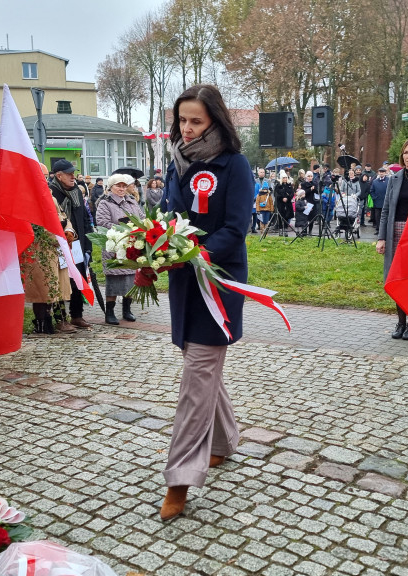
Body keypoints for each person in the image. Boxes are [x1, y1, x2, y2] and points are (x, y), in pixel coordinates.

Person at [156, 84, 250, 521]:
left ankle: (179, 479)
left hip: (219, 284)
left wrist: (195, 253)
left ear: (214, 120)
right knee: (202, 368)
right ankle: (225, 441)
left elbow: (235, 228)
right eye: (182, 121)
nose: (187, 129)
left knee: (195, 382)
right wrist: (150, 249)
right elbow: (164, 218)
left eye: (196, 121)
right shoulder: (177, 163)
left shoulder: (235, 166)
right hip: (183, 284)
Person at [377, 138, 408, 340]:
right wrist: (382, 238)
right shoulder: (395, 178)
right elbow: (386, 210)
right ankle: (400, 322)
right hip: (395, 232)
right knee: (397, 279)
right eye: (406, 153)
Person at [23, 162, 76, 334]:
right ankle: (42, 322)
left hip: (56, 249)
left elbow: (63, 217)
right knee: (42, 288)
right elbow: (34, 225)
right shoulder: (27, 198)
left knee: (57, 286)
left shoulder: (51, 197)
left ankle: (57, 319)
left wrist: (68, 230)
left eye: (46, 178)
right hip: (40, 249)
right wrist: (56, 237)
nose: (44, 181)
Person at [49, 159, 94, 330]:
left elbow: (84, 219)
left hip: (78, 243)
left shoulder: (76, 191)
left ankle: (77, 315)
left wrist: (87, 244)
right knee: (62, 280)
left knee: (78, 279)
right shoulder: (51, 192)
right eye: (69, 174)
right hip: (60, 244)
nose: (73, 176)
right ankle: (61, 319)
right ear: (59, 175)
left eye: (73, 173)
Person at [96, 174, 143, 323]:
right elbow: (102, 222)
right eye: (118, 186)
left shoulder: (131, 201)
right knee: (114, 280)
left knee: (130, 279)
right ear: (111, 188)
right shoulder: (105, 203)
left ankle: (127, 310)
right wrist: (123, 227)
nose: (121, 189)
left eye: (124, 186)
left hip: (131, 246)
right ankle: (109, 312)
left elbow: (141, 217)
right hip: (114, 246)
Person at [369, 167, 389, 233]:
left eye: (383, 172)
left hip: (386, 202)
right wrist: (374, 198)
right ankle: (378, 229)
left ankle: (385, 230)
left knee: (385, 217)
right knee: (377, 216)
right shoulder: (375, 181)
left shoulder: (388, 180)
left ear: (385, 173)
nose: (381, 173)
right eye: (380, 172)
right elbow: (371, 191)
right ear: (378, 173)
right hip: (377, 202)